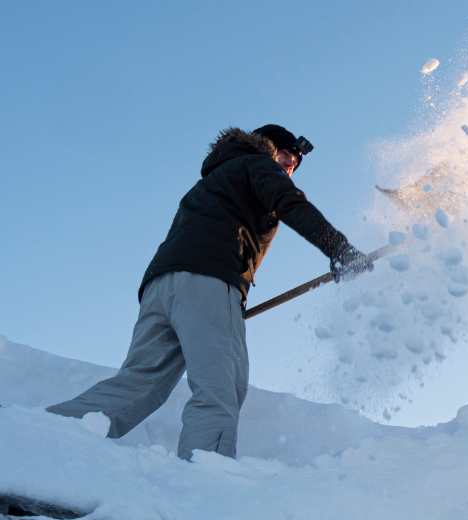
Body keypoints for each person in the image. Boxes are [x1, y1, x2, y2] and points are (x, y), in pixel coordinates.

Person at [47, 125, 368, 460]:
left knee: (139, 385)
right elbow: (289, 203)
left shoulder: (213, 180)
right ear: (268, 148)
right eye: (286, 156)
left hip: (162, 285)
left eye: (295, 164)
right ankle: (204, 482)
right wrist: (339, 250)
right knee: (221, 385)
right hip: (207, 280)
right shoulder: (258, 165)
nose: (288, 166)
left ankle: (39, 435)